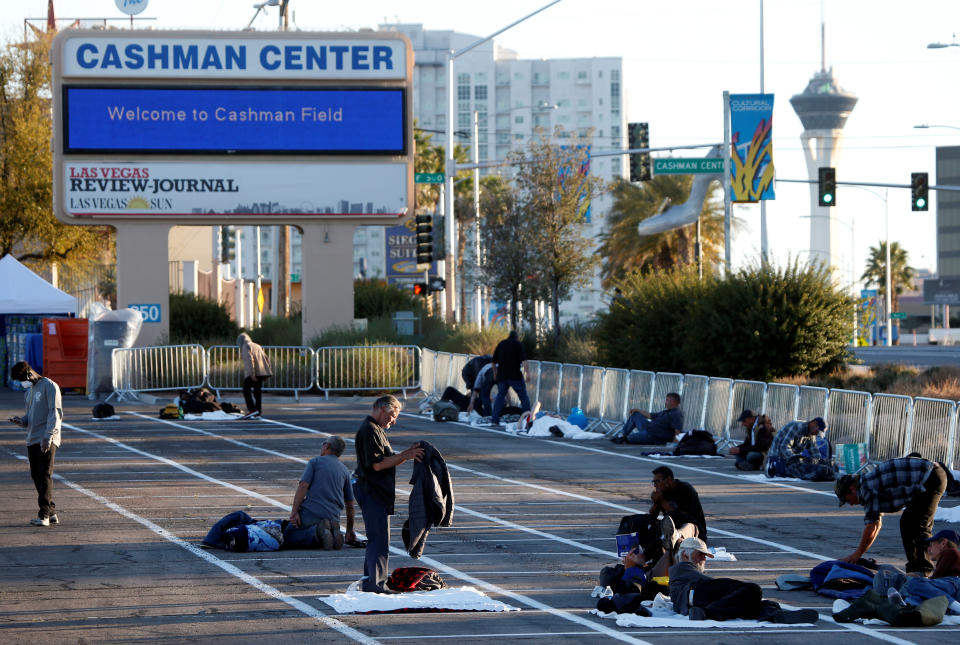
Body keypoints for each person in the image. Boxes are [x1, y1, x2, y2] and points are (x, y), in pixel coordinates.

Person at [352, 395, 424, 593]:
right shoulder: (369, 430)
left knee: (378, 538)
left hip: (375, 491)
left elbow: (387, 458)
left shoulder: (376, 430)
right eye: (393, 415)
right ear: (382, 409)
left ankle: (371, 581)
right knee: (379, 539)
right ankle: (376, 585)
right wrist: (404, 456)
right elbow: (377, 464)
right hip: (371, 490)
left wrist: (406, 454)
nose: (394, 420)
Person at [836, 456, 948, 575]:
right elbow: (876, 525)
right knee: (907, 522)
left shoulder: (866, 489)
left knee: (917, 524)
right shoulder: (867, 486)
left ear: (852, 489)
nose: (851, 504)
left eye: (847, 500)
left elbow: (871, 527)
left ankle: (923, 571)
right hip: (929, 477)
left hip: (931, 478)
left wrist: (856, 555)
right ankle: (916, 569)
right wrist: (858, 554)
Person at [669, 537, 819, 623]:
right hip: (695, 595)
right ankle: (706, 613)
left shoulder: (685, 570)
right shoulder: (682, 567)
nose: (703, 559)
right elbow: (710, 583)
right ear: (684, 555)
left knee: (760, 603)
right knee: (752, 590)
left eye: (704, 556)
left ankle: (774, 615)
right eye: (699, 554)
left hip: (700, 598)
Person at [9, 361, 63, 527]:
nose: (22, 383)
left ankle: (44, 515)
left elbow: (56, 412)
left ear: (29, 373)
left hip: (46, 438)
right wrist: (21, 421)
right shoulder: (29, 392)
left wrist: (48, 436)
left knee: (45, 475)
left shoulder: (50, 386)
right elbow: (30, 417)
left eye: (22, 379)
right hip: (32, 439)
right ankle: (51, 511)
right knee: (36, 476)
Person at [284, 435, 356, 550]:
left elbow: (303, 486)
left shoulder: (315, 462)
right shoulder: (344, 470)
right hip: (333, 517)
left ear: (326, 446)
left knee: (287, 536)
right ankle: (331, 531)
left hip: (311, 514)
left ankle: (317, 533)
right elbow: (350, 505)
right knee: (323, 536)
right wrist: (349, 530)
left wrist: (294, 512)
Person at [869, 530, 960, 615]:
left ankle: (906, 603)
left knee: (914, 583)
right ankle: (907, 604)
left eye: (931, 545)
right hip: (950, 590)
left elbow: (934, 581)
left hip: (954, 586)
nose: (928, 549)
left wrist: (919, 580)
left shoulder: (950, 552)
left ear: (943, 542)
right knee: (914, 592)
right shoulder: (950, 556)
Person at [649, 466, 707, 543]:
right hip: (674, 529)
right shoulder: (663, 491)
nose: (655, 485)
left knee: (672, 518)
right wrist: (656, 502)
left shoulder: (685, 489)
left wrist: (662, 501)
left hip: (695, 531)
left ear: (668, 480)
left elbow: (681, 517)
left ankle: (672, 538)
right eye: (654, 482)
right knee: (645, 521)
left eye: (657, 481)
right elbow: (652, 516)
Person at [765, 416, 834, 480]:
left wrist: (821, 462)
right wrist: (796, 460)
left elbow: (815, 452)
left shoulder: (811, 434)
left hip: (789, 459)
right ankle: (775, 468)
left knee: (815, 465)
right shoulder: (797, 427)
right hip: (777, 458)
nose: (817, 433)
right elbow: (784, 447)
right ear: (813, 423)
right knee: (798, 469)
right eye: (818, 430)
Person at [490, 331, 531, 426]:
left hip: (502, 376)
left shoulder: (501, 344)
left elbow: (493, 362)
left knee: (500, 397)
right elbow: (524, 361)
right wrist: (527, 373)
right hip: (515, 375)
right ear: (517, 337)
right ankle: (528, 420)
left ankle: (494, 420)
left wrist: (495, 374)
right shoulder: (518, 344)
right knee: (523, 397)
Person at [610, 393, 684, 445]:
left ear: (673, 402)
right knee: (636, 415)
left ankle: (625, 438)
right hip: (648, 428)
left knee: (630, 438)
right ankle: (622, 434)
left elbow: (677, 431)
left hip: (654, 436)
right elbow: (650, 415)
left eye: (667, 400)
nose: (665, 402)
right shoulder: (666, 412)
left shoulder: (676, 414)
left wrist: (674, 445)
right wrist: (637, 410)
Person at [237, 332, 272, 419]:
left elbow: (249, 360)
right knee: (257, 391)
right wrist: (267, 372)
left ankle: (252, 410)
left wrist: (252, 374)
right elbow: (266, 358)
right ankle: (258, 410)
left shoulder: (245, 346)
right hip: (262, 371)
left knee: (246, 389)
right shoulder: (257, 345)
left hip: (254, 372)